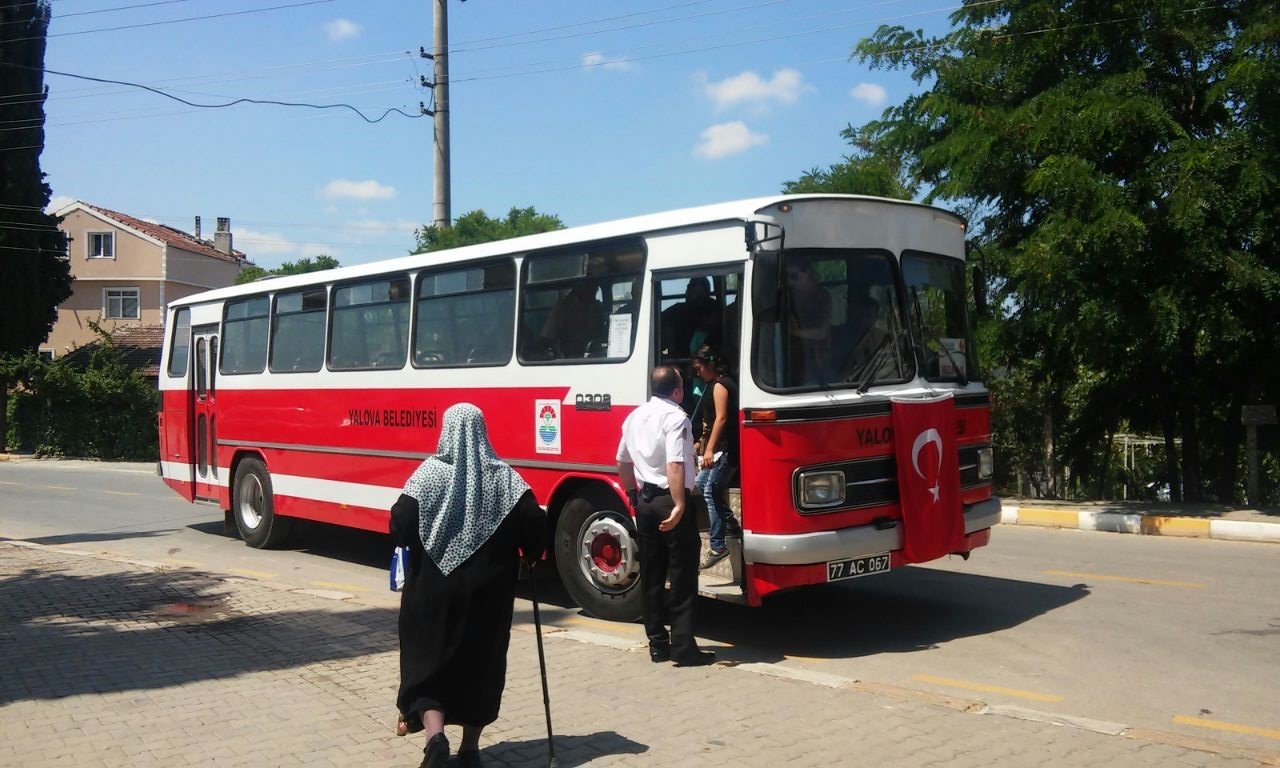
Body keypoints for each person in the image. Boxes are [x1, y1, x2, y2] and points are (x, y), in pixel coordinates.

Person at [390, 403, 547, 768]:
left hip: (432, 592)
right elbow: (534, 522)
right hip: (488, 596)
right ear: (482, 432)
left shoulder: (428, 474)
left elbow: (400, 523)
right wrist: (531, 551)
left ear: (445, 432)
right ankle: (470, 749)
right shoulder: (506, 479)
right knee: (482, 664)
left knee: (427, 662)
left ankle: (435, 736)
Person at [616, 366, 717, 667]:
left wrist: (632, 494)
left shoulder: (634, 416)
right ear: (676, 390)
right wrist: (679, 504)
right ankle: (684, 647)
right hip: (668, 501)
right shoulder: (677, 417)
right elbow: (676, 464)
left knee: (652, 575)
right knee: (683, 575)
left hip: (644, 502)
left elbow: (621, 460)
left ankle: (657, 645)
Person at [690, 345, 742, 569]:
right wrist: (702, 442)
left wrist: (709, 449)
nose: (697, 373)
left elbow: (721, 419)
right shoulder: (714, 384)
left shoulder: (720, 386)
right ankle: (730, 522)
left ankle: (718, 545)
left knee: (711, 489)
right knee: (701, 484)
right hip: (717, 446)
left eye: (699, 368)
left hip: (724, 449)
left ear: (710, 365)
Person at [785, 258, 832, 384]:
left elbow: (821, 332)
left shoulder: (823, 297)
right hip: (792, 359)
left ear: (808, 272)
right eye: (787, 277)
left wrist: (794, 333)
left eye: (794, 276)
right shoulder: (788, 296)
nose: (789, 281)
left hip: (816, 360)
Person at [539, 277, 607, 357]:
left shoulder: (597, 308)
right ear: (579, 287)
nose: (594, 292)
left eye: (595, 288)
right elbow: (545, 339)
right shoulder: (562, 308)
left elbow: (603, 333)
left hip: (597, 356)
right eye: (591, 287)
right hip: (570, 359)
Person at [838, 295, 891, 382]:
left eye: (869, 316)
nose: (863, 320)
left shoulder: (884, 339)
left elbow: (891, 367)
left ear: (875, 319)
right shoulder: (841, 338)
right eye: (860, 316)